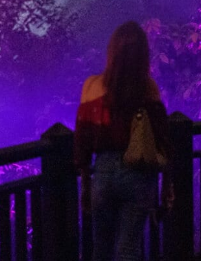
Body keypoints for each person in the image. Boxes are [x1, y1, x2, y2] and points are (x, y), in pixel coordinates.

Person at [74, 21, 172, 261]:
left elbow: (82, 140)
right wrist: (166, 184)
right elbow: (162, 138)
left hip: (103, 172)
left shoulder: (91, 86)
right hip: (138, 171)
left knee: (101, 247)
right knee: (129, 248)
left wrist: (85, 184)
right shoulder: (147, 88)